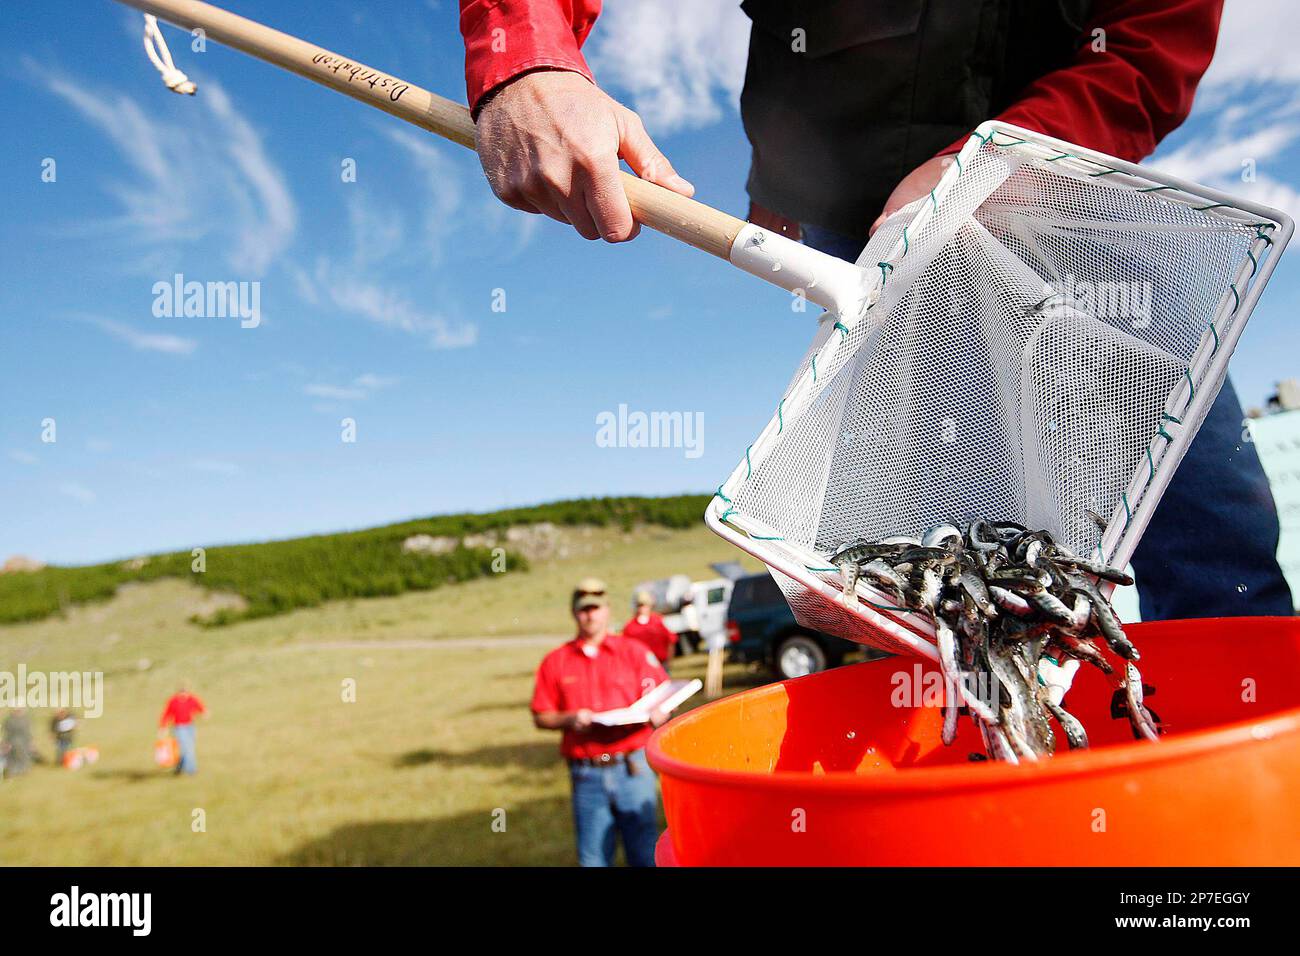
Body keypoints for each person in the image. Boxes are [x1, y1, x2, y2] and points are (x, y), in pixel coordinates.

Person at [459, 0, 1292, 621]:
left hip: (1067, 198)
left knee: (1210, 534)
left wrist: (990, 159)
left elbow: (1150, 48)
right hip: (853, 226)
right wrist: (526, 51)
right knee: (913, 579)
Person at [531, 577, 670, 866]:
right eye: (583, 609)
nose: (590, 615)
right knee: (593, 857)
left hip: (633, 768)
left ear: (607, 610)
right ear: (574, 613)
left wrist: (661, 712)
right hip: (587, 774)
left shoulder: (633, 652)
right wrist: (569, 718)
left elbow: (662, 695)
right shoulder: (555, 661)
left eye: (595, 608)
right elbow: (541, 715)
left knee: (646, 854)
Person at [159, 682, 207, 775]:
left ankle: (179, 768)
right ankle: (192, 770)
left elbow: (199, 705)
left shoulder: (190, 699)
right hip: (179, 728)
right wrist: (163, 727)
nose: (184, 694)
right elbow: (166, 714)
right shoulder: (173, 701)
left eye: (185, 692)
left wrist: (204, 711)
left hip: (190, 727)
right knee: (187, 748)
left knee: (188, 748)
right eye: (182, 692)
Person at [622, 589, 678, 668]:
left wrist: (669, 660)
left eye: (644, 605)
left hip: (661, 663)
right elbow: (626, 648)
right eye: (640, 606)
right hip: (641, 665)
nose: (642, 609)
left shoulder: (659, 621)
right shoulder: (630, 626)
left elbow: (671, 640)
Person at [1, 708, 36, 777]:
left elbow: (28, 733)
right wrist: (5, 742)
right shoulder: (9, 720)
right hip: (12, 743)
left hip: (23, 743)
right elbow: (6, 732)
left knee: (23, 756)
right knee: (12, 757)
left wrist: (31, 742)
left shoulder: (25, 720)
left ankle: (21, 770)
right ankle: (12, 771)